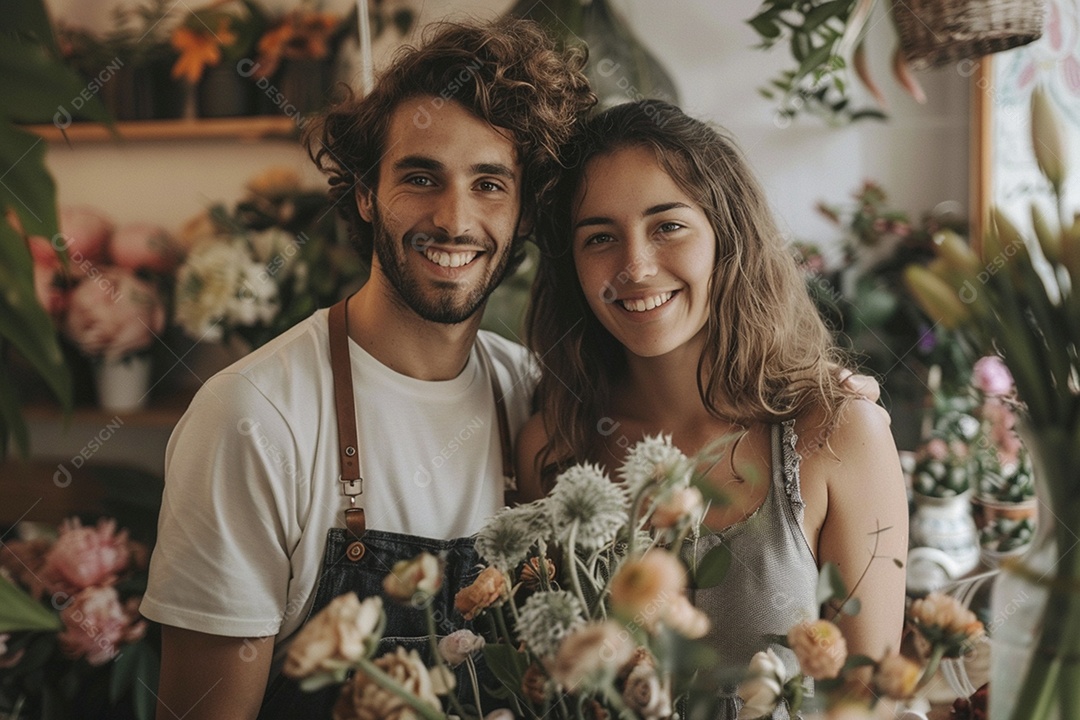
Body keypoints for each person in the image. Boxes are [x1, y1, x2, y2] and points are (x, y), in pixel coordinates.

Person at [140, 19, 595, 720]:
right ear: (361, 193)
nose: (454, 219)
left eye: (489, 184)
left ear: (525, 211)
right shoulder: (254, 418)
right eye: (420, 177)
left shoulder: (538, 397)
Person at [518, 100, 908, 715]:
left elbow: (875, 701)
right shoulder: (554, 442)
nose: (636, 268)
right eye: (600, 237)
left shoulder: (839, 433)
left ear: (728, 236)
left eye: (667, 225)